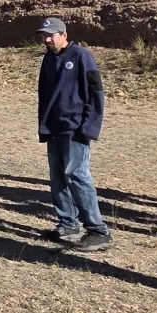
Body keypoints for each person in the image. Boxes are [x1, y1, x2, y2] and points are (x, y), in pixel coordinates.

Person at [35, 18, 112, 253]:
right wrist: (44, 126)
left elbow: (95, 93)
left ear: (64, 34)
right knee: (58, 177)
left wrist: (89, 127)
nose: (47, 39)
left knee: (77, 175)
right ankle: (68, 223)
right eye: (44, 35)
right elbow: (44, 94)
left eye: (51, 34)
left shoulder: (82, 56)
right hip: (55, 128)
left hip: (75, 128)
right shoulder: (48, 59)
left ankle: (98, 230)